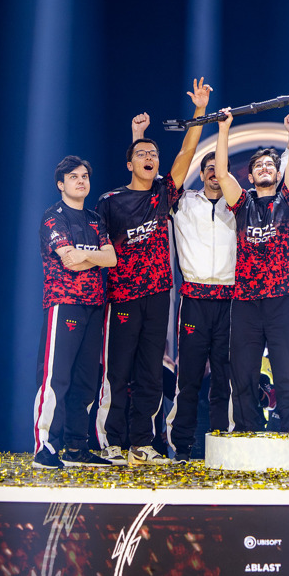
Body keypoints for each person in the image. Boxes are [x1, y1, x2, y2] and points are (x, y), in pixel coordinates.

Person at [95, 78, 212, 465]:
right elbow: (99, 251)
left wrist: (199, 111)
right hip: (123, 297)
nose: (150, 157)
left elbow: (188, 151)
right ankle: (111, 441)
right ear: (129, 164)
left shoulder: (164, 193)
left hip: (159, 295)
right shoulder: (110, 201)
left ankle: (142, 443)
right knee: (118, 371)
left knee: (150, 371)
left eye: (155, 154)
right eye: (142, 154)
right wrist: (136, 137)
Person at [213, 94, 289, 447]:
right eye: (257, 165)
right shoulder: (241, 203)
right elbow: (222, 173)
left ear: (277, 172)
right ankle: (246, 431)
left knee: (287, 373)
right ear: (251, 175)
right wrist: (224, 129)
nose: (264, 168)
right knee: (242, 372)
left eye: (270, 164)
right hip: (245, 300)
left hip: (282, 299)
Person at [32, 156, 117, 469]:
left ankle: (76, 447)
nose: (81, 181)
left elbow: (113, 259)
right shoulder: (53, 217)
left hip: (94, 305)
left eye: (84, 176)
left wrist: (85, 256)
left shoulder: (95, 219)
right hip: (64, 302)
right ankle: (45, 447)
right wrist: (93, 256)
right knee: (56, 378)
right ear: (60, 184)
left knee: (85, 380)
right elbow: (69, 260)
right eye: (73, 177)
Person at [166, 147, 237, 462]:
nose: (213, 172)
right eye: (208, 167)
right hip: (194, 299)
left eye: (218, 167)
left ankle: (222, 445)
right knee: (189, 379)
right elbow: (176, 168)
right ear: (200, 173)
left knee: (224, 378)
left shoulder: (239, 204)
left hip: (229, 300)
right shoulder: (183, 202)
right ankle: (182, 447)